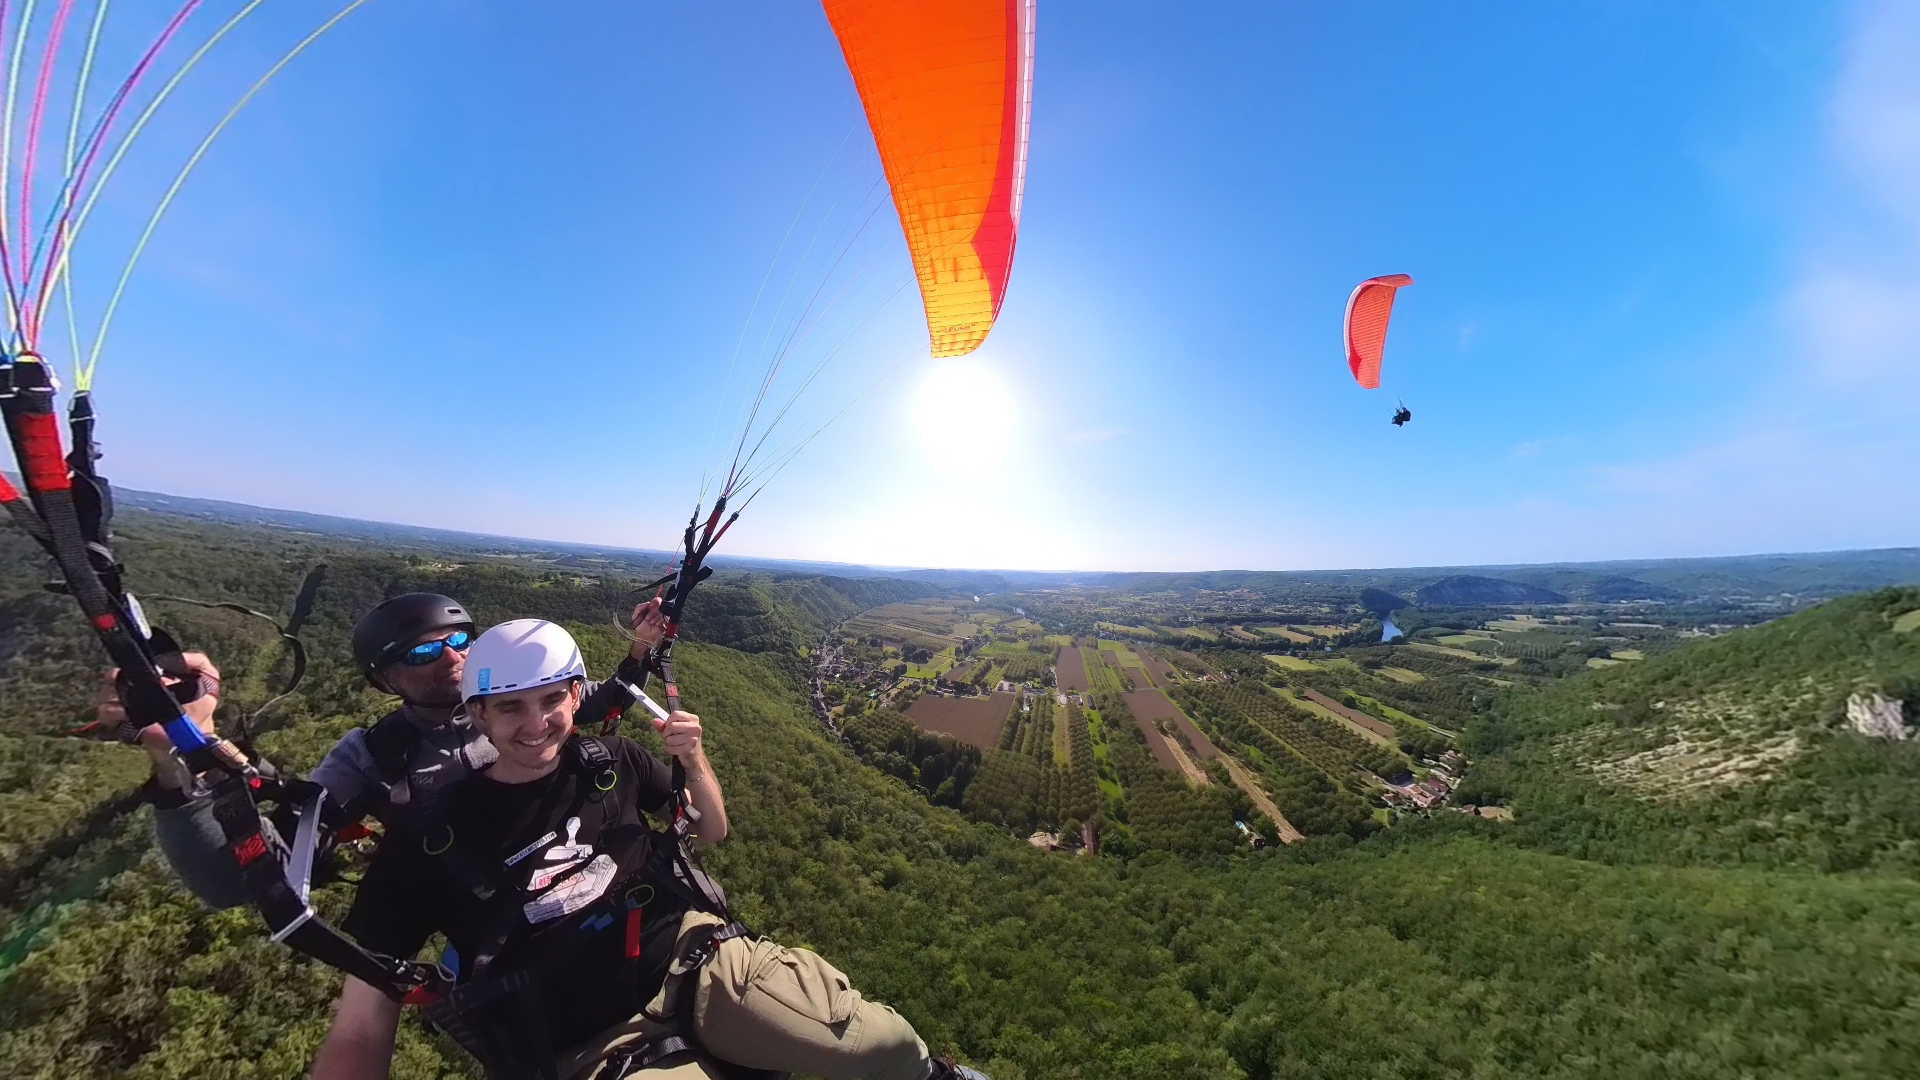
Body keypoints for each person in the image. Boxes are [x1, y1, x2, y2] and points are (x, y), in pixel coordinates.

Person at [312, 620, 984, 1080]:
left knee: (884, 1044)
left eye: (553, 700)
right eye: (510, 707)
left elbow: (711, 829)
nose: (537, 725)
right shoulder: (429, 843)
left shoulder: (614, 761)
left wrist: (695, 761)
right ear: (477, 714)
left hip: (694, 958)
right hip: (592, 1035)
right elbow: (362, 1028)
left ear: (577, 695)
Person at [114, 592, 666, 908]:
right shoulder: (373, 757)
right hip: (491, 912)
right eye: (425, 650)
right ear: (384, 680)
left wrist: (642, 645)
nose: (451, 658)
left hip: (583, 874)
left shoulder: (516, 699)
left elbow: (596, 700)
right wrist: (176, 760)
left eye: (458, 640)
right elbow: (231, 882)